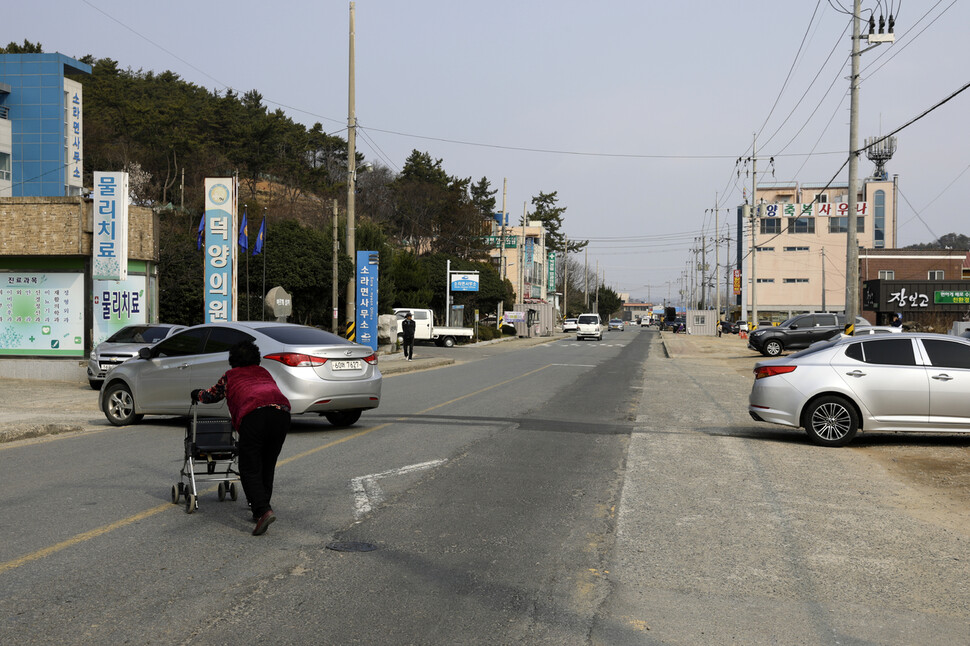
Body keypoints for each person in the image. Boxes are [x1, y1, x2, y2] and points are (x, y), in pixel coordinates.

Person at [192, 340, 291, 536]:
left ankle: (262, 511)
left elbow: (211, 396)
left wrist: (196, 393)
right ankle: (262, 507)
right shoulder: (264, 372)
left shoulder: (230, 376)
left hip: (254, 415)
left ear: (232, 359)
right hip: (282, 413)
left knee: (248, 467)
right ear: (256, 357)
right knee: (267, 463)